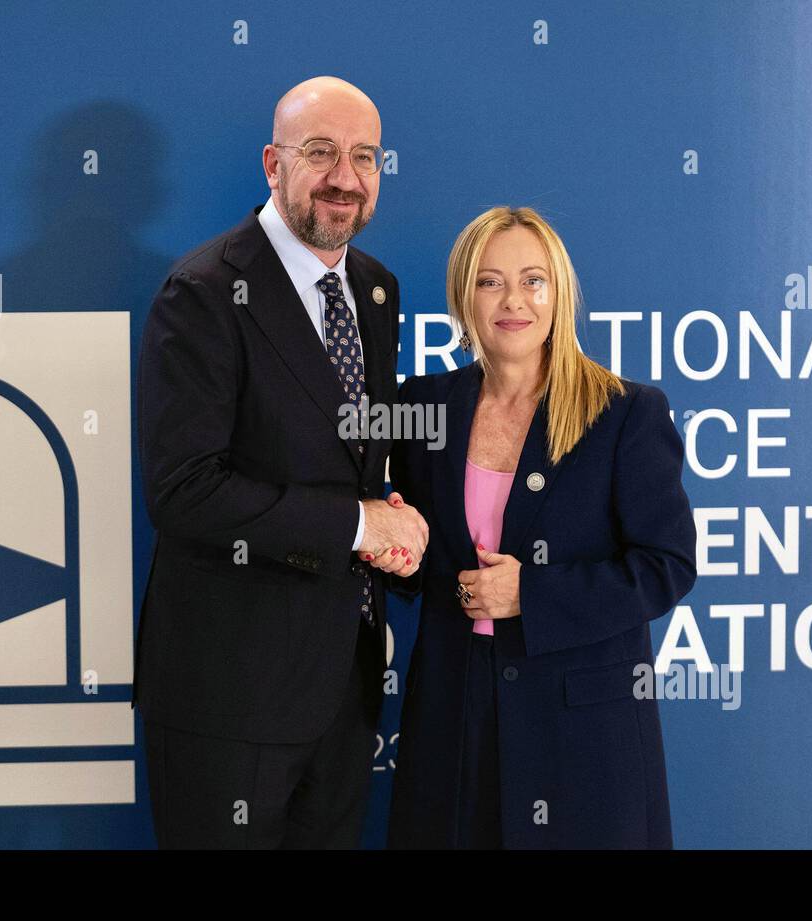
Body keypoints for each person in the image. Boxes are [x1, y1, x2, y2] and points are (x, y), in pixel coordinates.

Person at [132, 76, 427, 849]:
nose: (345, 178)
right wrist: (357, 525)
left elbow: (353, 459)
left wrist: (386, 521)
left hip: (345, 686)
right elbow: (183, 491)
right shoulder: (201, 291)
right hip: (227, 696)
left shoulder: (375, 290)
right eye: (321, 152)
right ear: (273, 163)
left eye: (365, 158)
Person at [380, 206, 697, 848]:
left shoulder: (625, 413)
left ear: (560, 294)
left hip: (581, 737)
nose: (513, 301)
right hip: (454, 719)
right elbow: (417, 556)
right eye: (490, 281)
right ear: (464, 298)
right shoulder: (422, 406)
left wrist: (534, 594)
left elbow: (668, 565)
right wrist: (394, 549)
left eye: (533, 280)